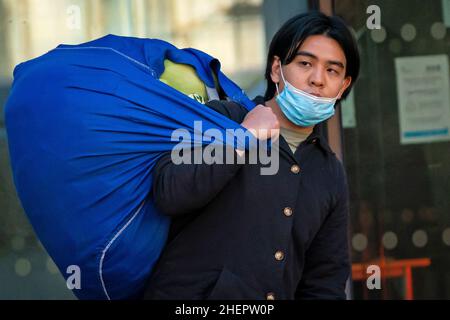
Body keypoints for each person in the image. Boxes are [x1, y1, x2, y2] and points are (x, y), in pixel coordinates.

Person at [144, 11, 360, 300]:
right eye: (305, 63)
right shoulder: (224, 118)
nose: (318, 79)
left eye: (333, 70)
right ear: (276, 69)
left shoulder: (329, 170)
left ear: (343, 85)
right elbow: (169, 190)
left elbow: (325, 279)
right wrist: (243, 137)